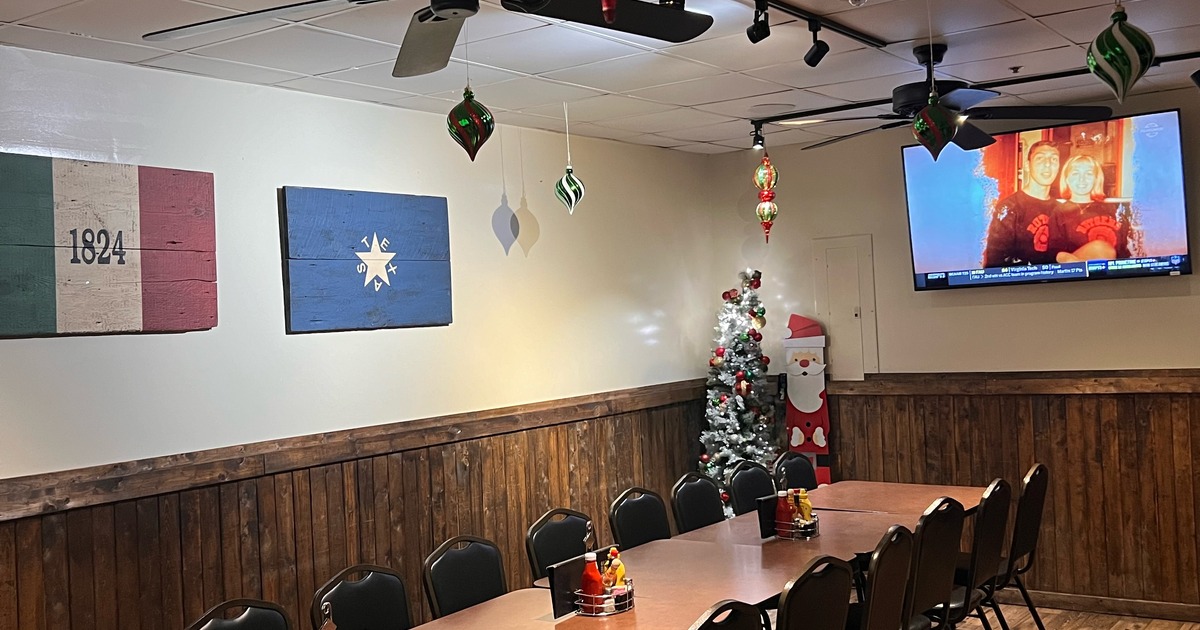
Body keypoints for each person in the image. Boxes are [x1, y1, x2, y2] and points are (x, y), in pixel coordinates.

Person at [982, 140, 1061, 268]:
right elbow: (995, 263)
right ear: (1028, 165)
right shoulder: (1009, 207)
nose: (1048, 164)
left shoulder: (1060, 209)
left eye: (1054, 159)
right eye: (1040, 158)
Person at [1047, 154, 1130, 263]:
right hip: (1079, 274)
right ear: (1066, 179)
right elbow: (1055, 252)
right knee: (1100, 248)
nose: (1082, 179)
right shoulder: (1059, 212)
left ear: (1096, 179)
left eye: (1089, 173)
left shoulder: (1113, 209)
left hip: (1113, 274)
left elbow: (1125, 249)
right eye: (1076, 173)